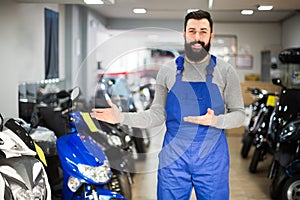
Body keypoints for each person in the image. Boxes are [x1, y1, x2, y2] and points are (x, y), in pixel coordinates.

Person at [91, 9, 245, 200]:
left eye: (203, 31)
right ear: (184, 34)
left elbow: (239, 114)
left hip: (212, 158)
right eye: (192, 31)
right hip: (174, 158)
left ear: (211, 35)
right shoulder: (168, 71)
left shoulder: (225, 71)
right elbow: (156, 114)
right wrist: (122, 117)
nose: (197, 37)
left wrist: (216, 120)